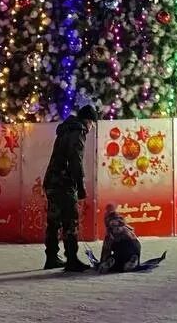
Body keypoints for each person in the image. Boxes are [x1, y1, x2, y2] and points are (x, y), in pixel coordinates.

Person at [43, 103, 98, 272]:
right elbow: (76, 160)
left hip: (52, 181)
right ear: (88, 121)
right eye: (92, 124)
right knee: (70, 221)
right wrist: (80, 185)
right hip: (64, 183)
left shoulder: (66, 130)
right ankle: (72, 259)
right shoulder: (78, 131)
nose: (91, 128)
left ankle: (51, 257)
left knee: (54, 221)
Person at [96, 202, 142, 273]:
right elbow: (137, 244)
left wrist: (103, 260)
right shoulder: (125, 229)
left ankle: (112, 261)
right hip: (129, 250)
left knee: (118, 261)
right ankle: (131, 260)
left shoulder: (115, 232)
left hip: (125, 249)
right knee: (125, 257)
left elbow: (106, 248)